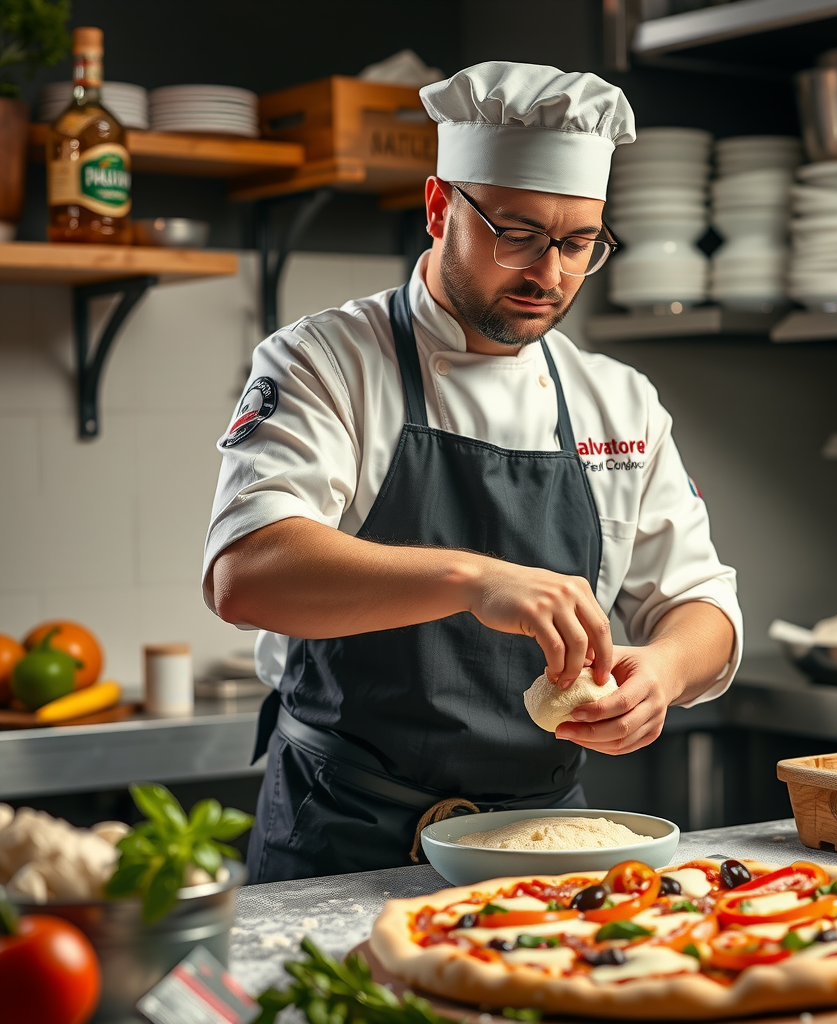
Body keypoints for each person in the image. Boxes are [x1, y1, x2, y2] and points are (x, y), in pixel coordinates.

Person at [202, 61, 742, 884]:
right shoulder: (325, 362)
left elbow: (702, 605)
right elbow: (246, 574)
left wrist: (663, 674)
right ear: (438, 207)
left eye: (578, 243)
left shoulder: (617, 399)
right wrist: (474, 579)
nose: (549, 274)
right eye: (518, 234)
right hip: (343, 835)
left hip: (549, 848)